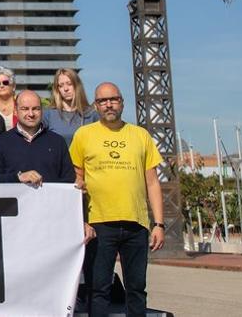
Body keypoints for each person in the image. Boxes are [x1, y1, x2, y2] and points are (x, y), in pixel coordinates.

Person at [70, 82, 165, 317]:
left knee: (136, 289)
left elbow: (152, 182)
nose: (108, 104)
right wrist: (80, 219)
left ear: (121, 102)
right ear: (95, 105)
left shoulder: (140, 135)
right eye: (102, 101)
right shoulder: (84, 135)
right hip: (99, 222)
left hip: (136, 223)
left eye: (113, 99)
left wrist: (159, 224)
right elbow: (76, 179)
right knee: (98, 288)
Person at [0, 90, 75, 185]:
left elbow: (69, 180)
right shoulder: (0, 142)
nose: (31, 114)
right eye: (25, 109)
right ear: (15, 111)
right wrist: (18, 177)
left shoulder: (57, 142)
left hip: (49, 199)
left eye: (36, 109)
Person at [43, 68, 99, 145]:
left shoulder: (92, 114)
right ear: (57, 89)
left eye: (69, 84)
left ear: (77, 85)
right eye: (61, 86)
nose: (66, 89)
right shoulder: (48, 115)